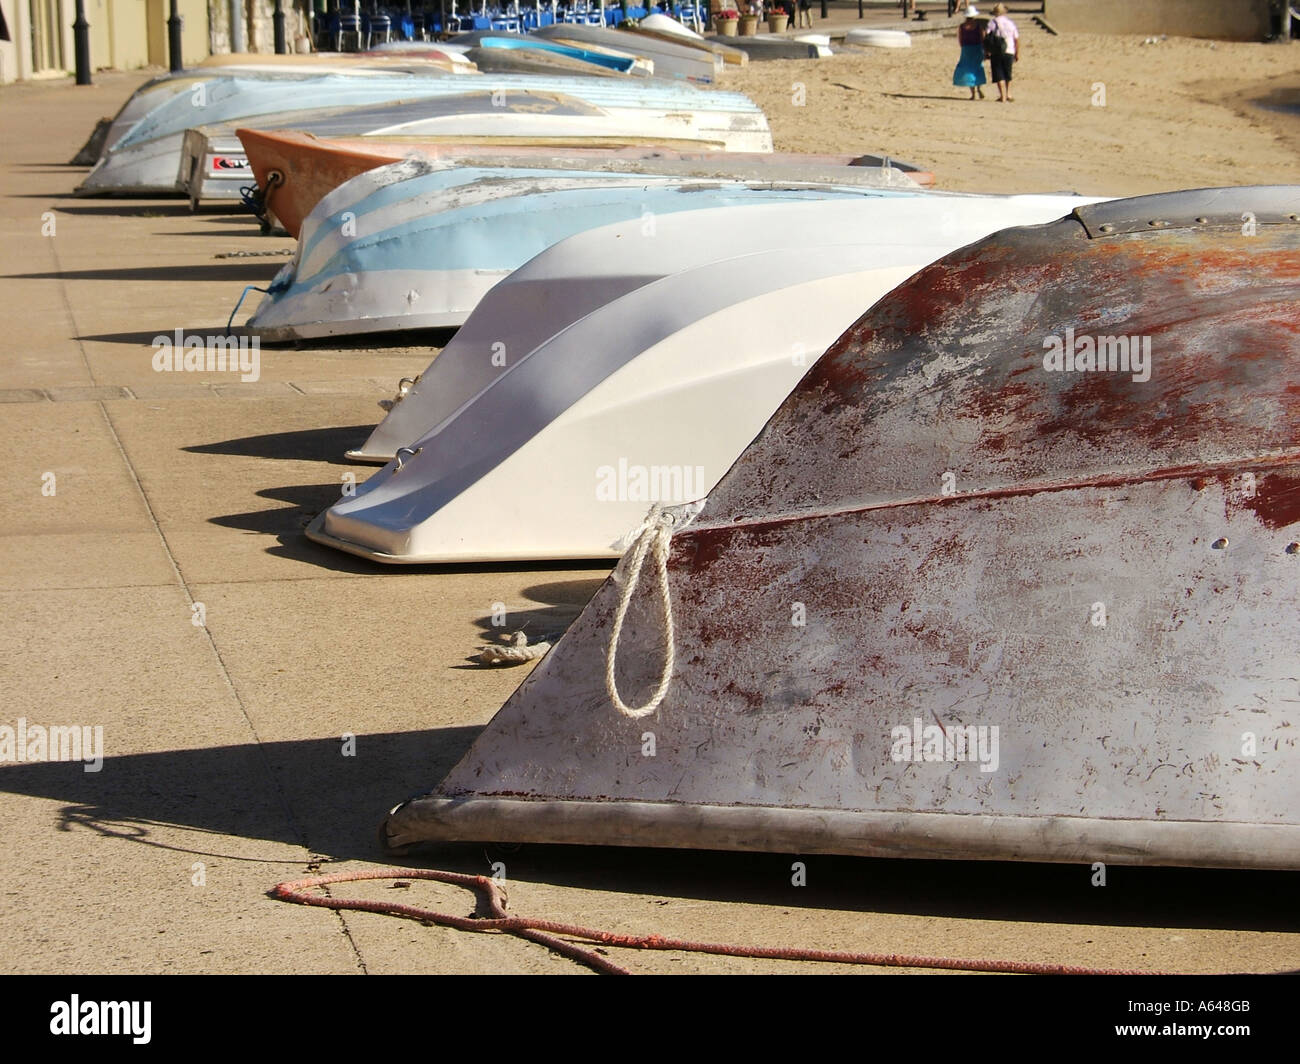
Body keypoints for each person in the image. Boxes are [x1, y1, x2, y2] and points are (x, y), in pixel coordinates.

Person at [986, 2, 1021, 102]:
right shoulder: (1011, 23)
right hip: (1009, 49)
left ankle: (1002, 95)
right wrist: (1017, 52)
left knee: (998, 73)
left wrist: (987, 50)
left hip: (996, 50)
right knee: (1007, 72)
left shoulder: (992, 23)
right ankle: (1009, 93)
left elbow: (987, 36)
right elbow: (1016, 39)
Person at [952, 6, 986, 101]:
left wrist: (963, 46)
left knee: (968, 68)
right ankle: (979, 88)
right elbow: (983, 38)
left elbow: (960, 39)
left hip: (966, 49)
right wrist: (984, 49)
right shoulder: (978, 26)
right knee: (977, 68)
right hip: (977, 48)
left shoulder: (962, 26)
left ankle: (973, 93)